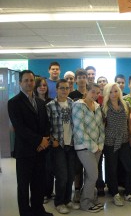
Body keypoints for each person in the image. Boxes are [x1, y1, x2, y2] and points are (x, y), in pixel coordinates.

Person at [7, 70, 53, 216]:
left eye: (31, 80)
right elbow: (20, 128)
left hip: (40, 150)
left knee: (38, 184)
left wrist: (45, 140)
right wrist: (39, 140)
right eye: (26, 80)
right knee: (23, 185)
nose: (29, 83)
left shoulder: (40, 102)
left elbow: (46, 124)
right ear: (20, 82)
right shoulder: (13, 103)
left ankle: (38, 210)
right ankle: (25, 213)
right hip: (24, 152)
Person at [102, 83, 131, 206]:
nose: (114, 94)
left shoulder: (125, 104)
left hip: (124, 141)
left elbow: (128, 122)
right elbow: (102, 126)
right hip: (110, 142)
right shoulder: (104, 107)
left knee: (130, 168)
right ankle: (115, 194)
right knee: (112, 170)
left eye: (116, 91)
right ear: (107, 94)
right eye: (111, 92)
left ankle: (129, 193)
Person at [46, 79, 79, 214]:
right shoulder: (50, 106)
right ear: (57, 89)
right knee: (62, 176)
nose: (64, 90)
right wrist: (52, 139)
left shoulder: (73, 104)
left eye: (66, 88)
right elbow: (46, 126)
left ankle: (67, 200)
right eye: (61, 88)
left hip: (71, 144)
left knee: (71, 175)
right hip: (58, 144)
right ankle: (59, 202)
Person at [72, 83, 105, 213]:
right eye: (93, 92)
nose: (95, 95)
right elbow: (79, 129)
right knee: (93, 175)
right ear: (86, 91)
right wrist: (93, 146)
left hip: (97, 147)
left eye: (98, 93)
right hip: (83, 147)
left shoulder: (97, 106)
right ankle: (85, 203)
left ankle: (91, 199)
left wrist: (100, 145)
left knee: (89, 175)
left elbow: (101, 127)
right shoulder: (78, 105)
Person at [68, 69, 88, 203]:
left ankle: (89, 190)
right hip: (76, 135)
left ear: (87, 79)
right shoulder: (71, 94)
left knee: (91, 166)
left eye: (83, 77)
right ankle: (77, 190)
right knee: (77, 166)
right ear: (76, 80)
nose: (81, 79)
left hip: (90, 134)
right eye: (79, 77)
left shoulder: (91, 92)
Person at [34, 77, 54, 204]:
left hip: (48, 139)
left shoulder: (51, 101)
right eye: (40, 85)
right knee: (37, 170)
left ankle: (48, 192)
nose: (42, 87)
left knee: (49, 168)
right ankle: (39, 193)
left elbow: (51, 122)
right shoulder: (32, 101)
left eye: (45, 85)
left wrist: (47, 139)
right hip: (35, 141)